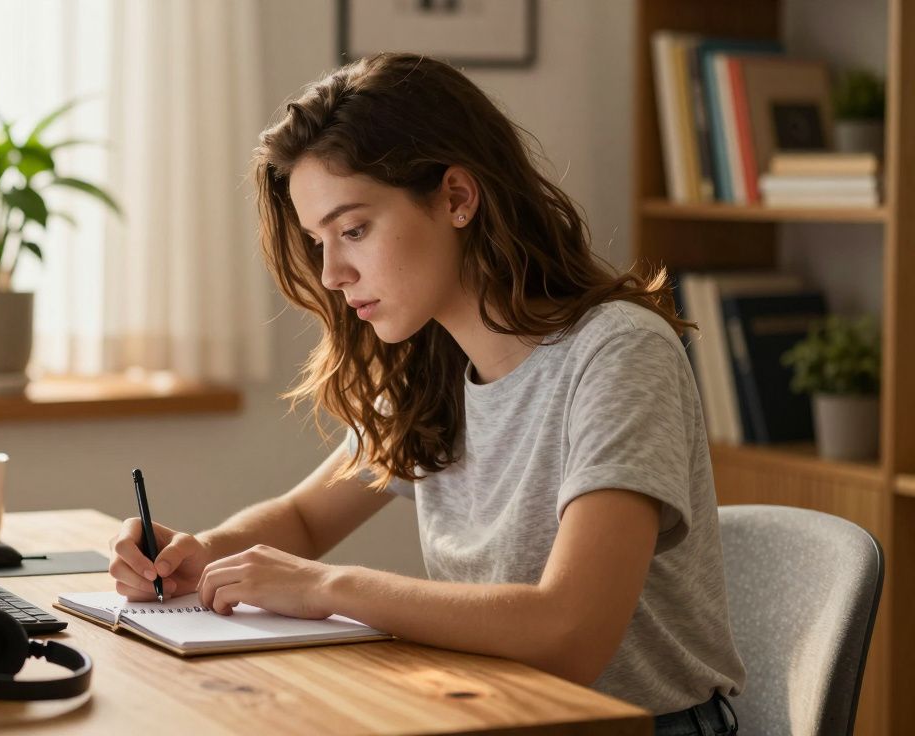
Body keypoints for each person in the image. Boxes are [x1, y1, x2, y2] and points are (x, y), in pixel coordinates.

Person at [107, 52, 744, 733]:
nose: (331, 272)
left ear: (456, 198)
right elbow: (305, 519)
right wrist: (202, 553)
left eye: (353, 230)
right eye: (318, 240)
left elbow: (570, 633)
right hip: (494, 713)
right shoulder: (432, 362)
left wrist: (327, 589)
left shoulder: (618, 353)